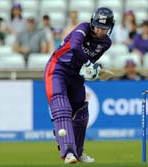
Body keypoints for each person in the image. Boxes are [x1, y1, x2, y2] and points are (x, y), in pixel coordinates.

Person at [44, 7, 115, 164]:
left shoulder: (106, 43)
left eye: (104, 28)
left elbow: (90, 61)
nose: (99, 30)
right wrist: (89, 64)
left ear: (110, 28)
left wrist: (92, 71)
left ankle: (78, 152)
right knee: (62, 107)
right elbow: (75, 47)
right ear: (92, 23)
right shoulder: (83, 28)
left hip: (75, 74)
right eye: (97, 26)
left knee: (81, 113)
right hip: (57, 69)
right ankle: (68, 152)